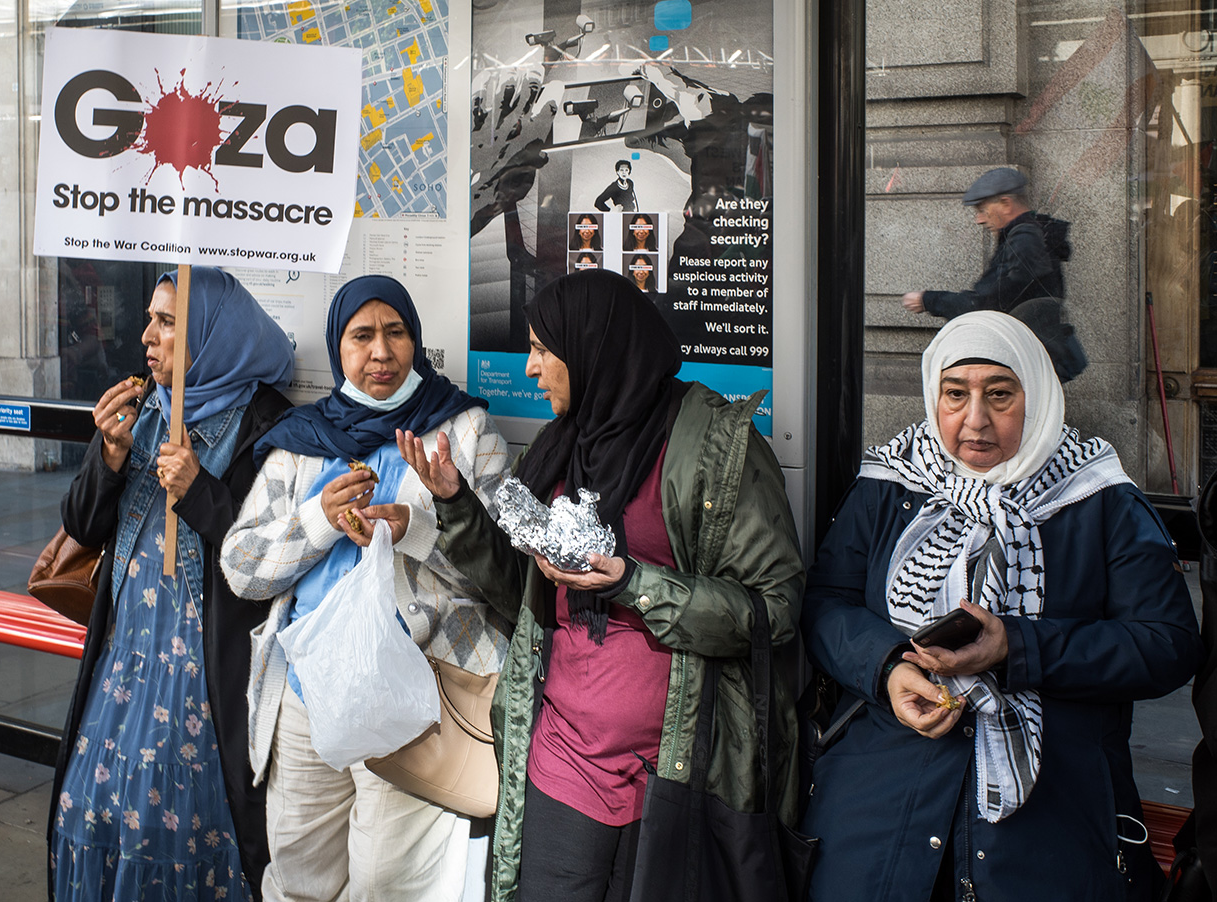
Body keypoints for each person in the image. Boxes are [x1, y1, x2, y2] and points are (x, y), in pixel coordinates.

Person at [397, 269, 804, 902]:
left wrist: (635, 584)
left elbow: (775, 609)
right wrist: (455, 506)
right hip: (563, 759)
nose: (530, 369)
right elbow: (526, 597)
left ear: (592, 346)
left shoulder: (716, 448)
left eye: (540, 349)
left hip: (674, 769)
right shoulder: (561, 448)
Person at [799, 310, 1201, 901]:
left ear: (1035, 396)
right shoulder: (890, 484)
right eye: (955, 394)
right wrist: (889, 669)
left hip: (1052, 826)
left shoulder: (1098, 498)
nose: (975, 419)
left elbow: (1168, 643)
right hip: (883, 808)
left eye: (1000, 395)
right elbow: (826, 604)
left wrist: (1019, 646)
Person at [220, 275, 511, 902]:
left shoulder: (462, 432)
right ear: (338, 347)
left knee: (391, 885)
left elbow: (512, 576)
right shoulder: (304, 443)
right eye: (362, 336)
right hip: (306, 695)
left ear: (415, 339)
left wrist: (424, 529)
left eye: (395, 332)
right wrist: (317, 522)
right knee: (300, 878)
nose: (381, 352)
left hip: (415, 696)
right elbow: (241, 566)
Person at [48, 267, 296, 901]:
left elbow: (273, 555)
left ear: (213, 336)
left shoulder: (267, 429)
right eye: (151, 320)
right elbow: (81, 523)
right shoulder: (145, 410)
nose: (147, 338)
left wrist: (200, 492)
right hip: (122, 658)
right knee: (89, 808)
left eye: (167, 323)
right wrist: (106, 455)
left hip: (198, 669)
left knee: (171, 829)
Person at [901, 167, 1071, 320]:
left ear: (1006, 204)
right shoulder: (1032, 235)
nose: (979, 220)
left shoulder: (1025, 240)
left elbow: (989, 304)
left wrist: (928, 300)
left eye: (982, 210)